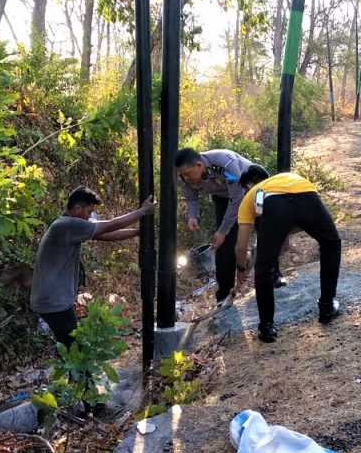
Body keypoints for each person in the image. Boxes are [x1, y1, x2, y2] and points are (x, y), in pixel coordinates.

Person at [31, 186, 155, 349]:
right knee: (75, 349)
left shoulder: (67, 225)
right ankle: (75, 367)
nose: (90, 216)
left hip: (51, 299)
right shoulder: (66, 225)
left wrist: (137, 232)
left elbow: (104, 235)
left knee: (68, 345)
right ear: (77, 208)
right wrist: (142, 212)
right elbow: (108, 226)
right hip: (53, 301)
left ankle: (70, 365)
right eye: (89, 212)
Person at [234, 165, 342, 343]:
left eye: (245, 189)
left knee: (263, 267)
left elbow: (240, 246)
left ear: (249, 185)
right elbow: (294, 216)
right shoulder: (285, 179)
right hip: (307, 194)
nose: (245, 192)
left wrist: (241, 268)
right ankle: (327, 307)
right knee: (331, 244)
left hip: (277, 207)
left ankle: (266, 328)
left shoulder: (252, 194)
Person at [176, 147, 286, 304]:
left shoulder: (225, 165)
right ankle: (224, 295)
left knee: (265, 231)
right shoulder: (185, 178)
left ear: (199, 165)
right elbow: (191, 197)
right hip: (224, 196)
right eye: (182, 174)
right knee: (224, 246)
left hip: (254, 189)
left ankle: (274, 275)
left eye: (188, 173)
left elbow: (237, 197)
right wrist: (192, 216)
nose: (185, 178)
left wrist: (223, 231)